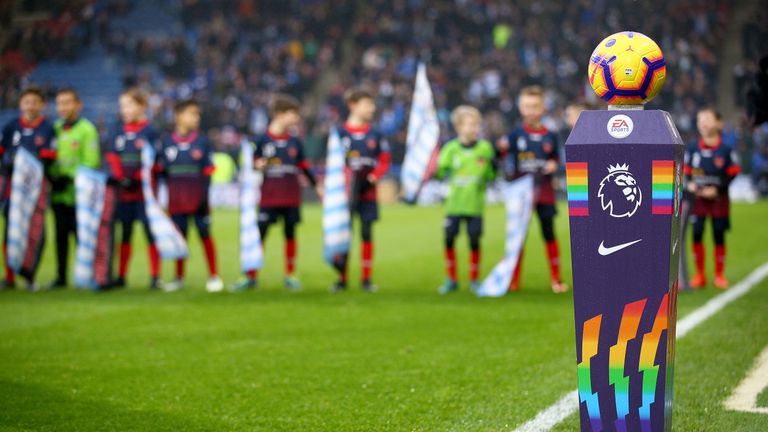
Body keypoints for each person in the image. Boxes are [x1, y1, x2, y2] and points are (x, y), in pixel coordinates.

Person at [232, 94, 320, 291]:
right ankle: (251, 275)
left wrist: (317, 186)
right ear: (279, 115)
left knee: (290, 234)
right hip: (269, 197)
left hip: (291, 197)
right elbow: (250, 165)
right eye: (293, 114)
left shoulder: (295, 141)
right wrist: (257, 165)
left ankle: (290, 275)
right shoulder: (262, 140)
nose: (296, 119)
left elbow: (304, 166)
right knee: (260, 234)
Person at [498, 85, 567, 293]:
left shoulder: (550, 134)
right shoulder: (515, 134)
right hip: (521, 194)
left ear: (543, 108)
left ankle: (556, 280)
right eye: (527, 106)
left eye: (535, 106)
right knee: (518, 236)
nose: (531, 110)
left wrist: (554, 165)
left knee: (549, 233)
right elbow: (500, 156)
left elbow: (556, 158)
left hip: (544, 193)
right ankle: (513, 280)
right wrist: (499, 150)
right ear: (521, 108)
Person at [159, 99, 223, 293]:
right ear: (179, 116)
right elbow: (162, 174)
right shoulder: (167, 142)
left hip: (198, 201)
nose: (197, 118)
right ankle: (178, 278)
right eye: (192, 114)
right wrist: (164, 201)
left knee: (205, 235)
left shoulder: (203, 141)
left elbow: (208, 172)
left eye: (197, 114)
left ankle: (213, 276)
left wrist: (205, 198)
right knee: (180, 239)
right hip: (176, 201)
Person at [332, 88, 391, 293]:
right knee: (344, 236)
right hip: (345, 195)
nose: (372, 109)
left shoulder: (376, 134)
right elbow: (332, 163)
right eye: (368, 104)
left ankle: (366, 279)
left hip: (368, 193)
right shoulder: (339, 134)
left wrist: (375, 176)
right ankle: (342, 279)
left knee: (366, 232)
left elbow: (384, 160)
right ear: (353, 105)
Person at [104, 88, 162, 290]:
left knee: (150, 233)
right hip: (124, 194)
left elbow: (155, 160)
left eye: (129, 105)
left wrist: (139, 178)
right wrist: (121, 177)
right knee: (125, 233)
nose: (125, 110)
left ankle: (155, 276)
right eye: (123, 106)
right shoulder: (118, 131)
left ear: (142, 106)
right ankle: (121, 276)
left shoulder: (151, 131)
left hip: (145, 195)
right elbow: (112, 156)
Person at [434, 106, 496, 294]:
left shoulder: (485, 148)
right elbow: (440, 172)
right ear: (458, 127)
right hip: (454, 205)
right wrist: (435, 167)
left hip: (475, 206)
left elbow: (491, 175)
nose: (474, 128)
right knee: (449, 239)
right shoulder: (450, 148)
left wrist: (494, 166)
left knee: (474, 241)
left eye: (477, 124)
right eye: (470, 124)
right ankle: (451, 278)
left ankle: (474, 279)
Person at [0, 87, 57, 290]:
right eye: (26, 102)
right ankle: (9, 277)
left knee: (34, 232)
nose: (30, 106)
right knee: (10, 230)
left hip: (36, 190)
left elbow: (51, 156)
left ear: (42, 105)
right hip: (12, 189)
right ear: (20, 104)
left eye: (34, 102)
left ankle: (30, 276)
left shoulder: (48, 128)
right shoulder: (10, 127)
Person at [47, 87, 101, 289]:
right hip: (59, 195)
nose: (63, 107)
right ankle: (61, 276)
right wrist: (53, 176)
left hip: (81, 196)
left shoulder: (87, 129)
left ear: (78, 105)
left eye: (67, 102)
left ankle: (87, 275)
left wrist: (68, 178)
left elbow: (91, 161)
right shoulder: (55, 129)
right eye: (60, 103)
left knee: (83, 237)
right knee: (60, 236)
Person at [684, 108, 741, 289]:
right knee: (697, 233)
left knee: (718, 234)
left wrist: (718, 189)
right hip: (697, 200)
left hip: (718, 200)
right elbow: (685, 171)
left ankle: (719, 275)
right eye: (700, 120)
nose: (704, 123)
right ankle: (699, 275)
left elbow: (732, 173)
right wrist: (689, 184)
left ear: (719, 123)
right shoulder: (692, 148)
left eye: (708, 119)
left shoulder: (726, 150)